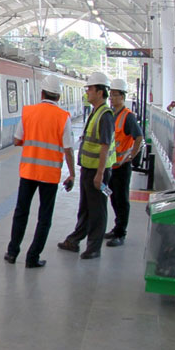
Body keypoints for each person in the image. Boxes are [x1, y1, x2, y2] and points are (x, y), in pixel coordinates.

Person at [4, 75, 77, 268]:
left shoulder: (28, 112)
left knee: (21, 212)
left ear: (42, 93)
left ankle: (12, 253)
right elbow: (68, 149)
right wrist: (72, 174)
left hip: (28, 172)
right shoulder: (63, 117)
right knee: (44, 217)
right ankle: (32, 257)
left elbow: (16, 140)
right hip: (50, 176)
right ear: (59, 97)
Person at [59, 71, 115, 259]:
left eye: (90, 89)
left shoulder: (105, 115)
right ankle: (74, 239)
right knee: (85, 207)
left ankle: (94, 247)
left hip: (97, 171)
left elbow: (105, 146)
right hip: (88, 169)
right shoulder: (96, 111)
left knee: (98, 209)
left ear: (100, 92)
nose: (87, 93)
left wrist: (100, 175)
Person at [104, 77, 144, 247]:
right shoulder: (111, 114)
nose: (111, 98)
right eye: (110, 95)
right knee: (113, 197)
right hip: (112, 166)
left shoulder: (128, 117)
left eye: (114, 95)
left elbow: (139, 137)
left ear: (122, 96)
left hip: (122, 166)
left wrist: (131, 155)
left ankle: (121, 232)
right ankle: (117, 226)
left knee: (122, 199)